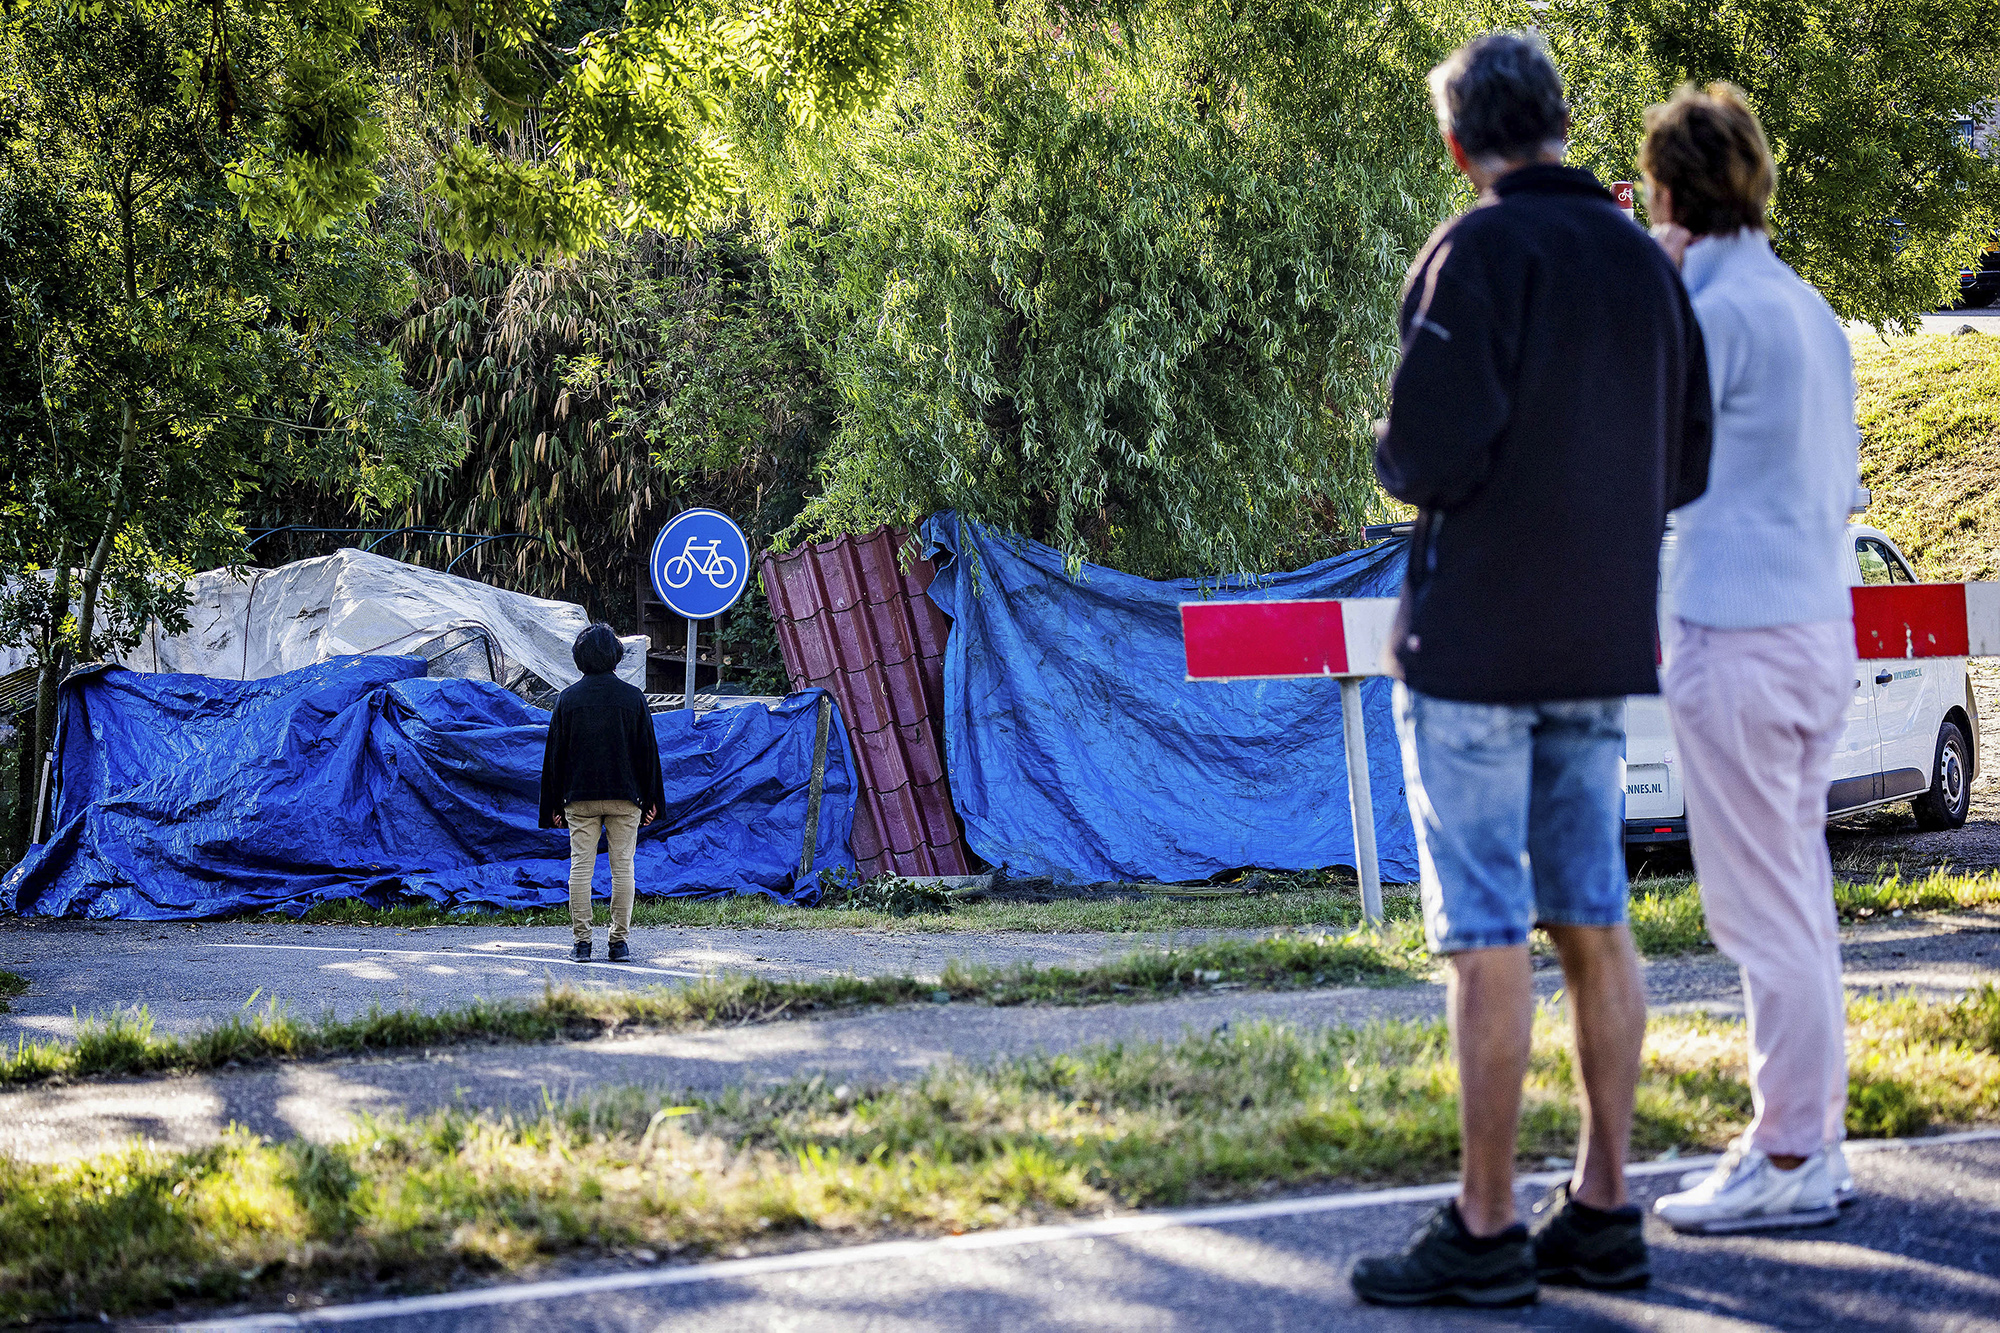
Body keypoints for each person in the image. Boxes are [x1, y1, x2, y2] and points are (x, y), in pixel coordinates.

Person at [1350, 32, 1711, 1307]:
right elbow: (1686, 467)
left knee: (1486, 931)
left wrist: (1395, 441)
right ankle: (1605, 1207)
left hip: (1475, 647)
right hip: (1599, 640)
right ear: (1559, 122)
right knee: (1593, 916)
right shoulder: (1640, 260)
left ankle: (1486, 1225)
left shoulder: (1475, 250)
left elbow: (1421, 456)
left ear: (1458, 146)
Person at [1642, 84, 1860, 1234]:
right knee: (1798, 901)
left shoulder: (1707, 316)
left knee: (1758, 912)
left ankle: (1786, 1153)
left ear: (1670, 195)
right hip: (1819, 629)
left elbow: (1648, 467)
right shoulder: (1807, 309)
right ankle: (1808, 1141)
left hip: (1735, 636)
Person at [539, 623, 664, 962]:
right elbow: (647, 754)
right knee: (623, 867)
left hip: (579, 798)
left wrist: (552, 803)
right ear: (615, 656)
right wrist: (652, 800)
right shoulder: (633, 698)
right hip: (627, 797)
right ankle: (619, 942)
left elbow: (555, 757)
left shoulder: (567, 700)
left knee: (581, 867)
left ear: (579, 658)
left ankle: (582, 943)